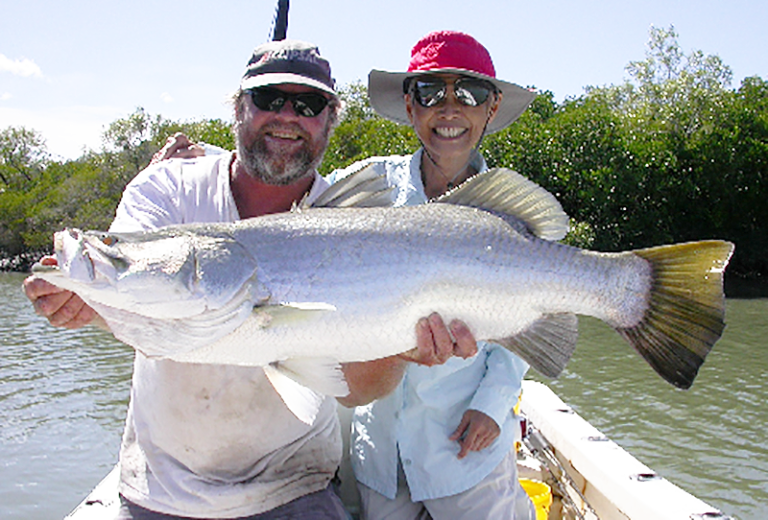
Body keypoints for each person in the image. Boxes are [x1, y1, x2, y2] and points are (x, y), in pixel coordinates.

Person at [23, 38, 477, 520]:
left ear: (329, 121)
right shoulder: (167, 188)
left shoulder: (355, 217)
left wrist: (403, 347)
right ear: (238, 109)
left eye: (308, 104)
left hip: (297, 488)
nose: (287, 115)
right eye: (267, 99)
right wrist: (92, 302)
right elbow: (140, 291)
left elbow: (356, 391)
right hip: (161, 491)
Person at [327, 30, 538, 519]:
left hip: (466, 445)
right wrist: (209, 159)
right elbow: (293, 197)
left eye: (468, 94)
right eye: (429, 93)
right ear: (409, 106)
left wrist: (494, 403)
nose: (449, 109)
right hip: (378, 448)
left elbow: (530, 318)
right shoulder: (364, 187)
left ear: (491, 107)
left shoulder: (511, 209)